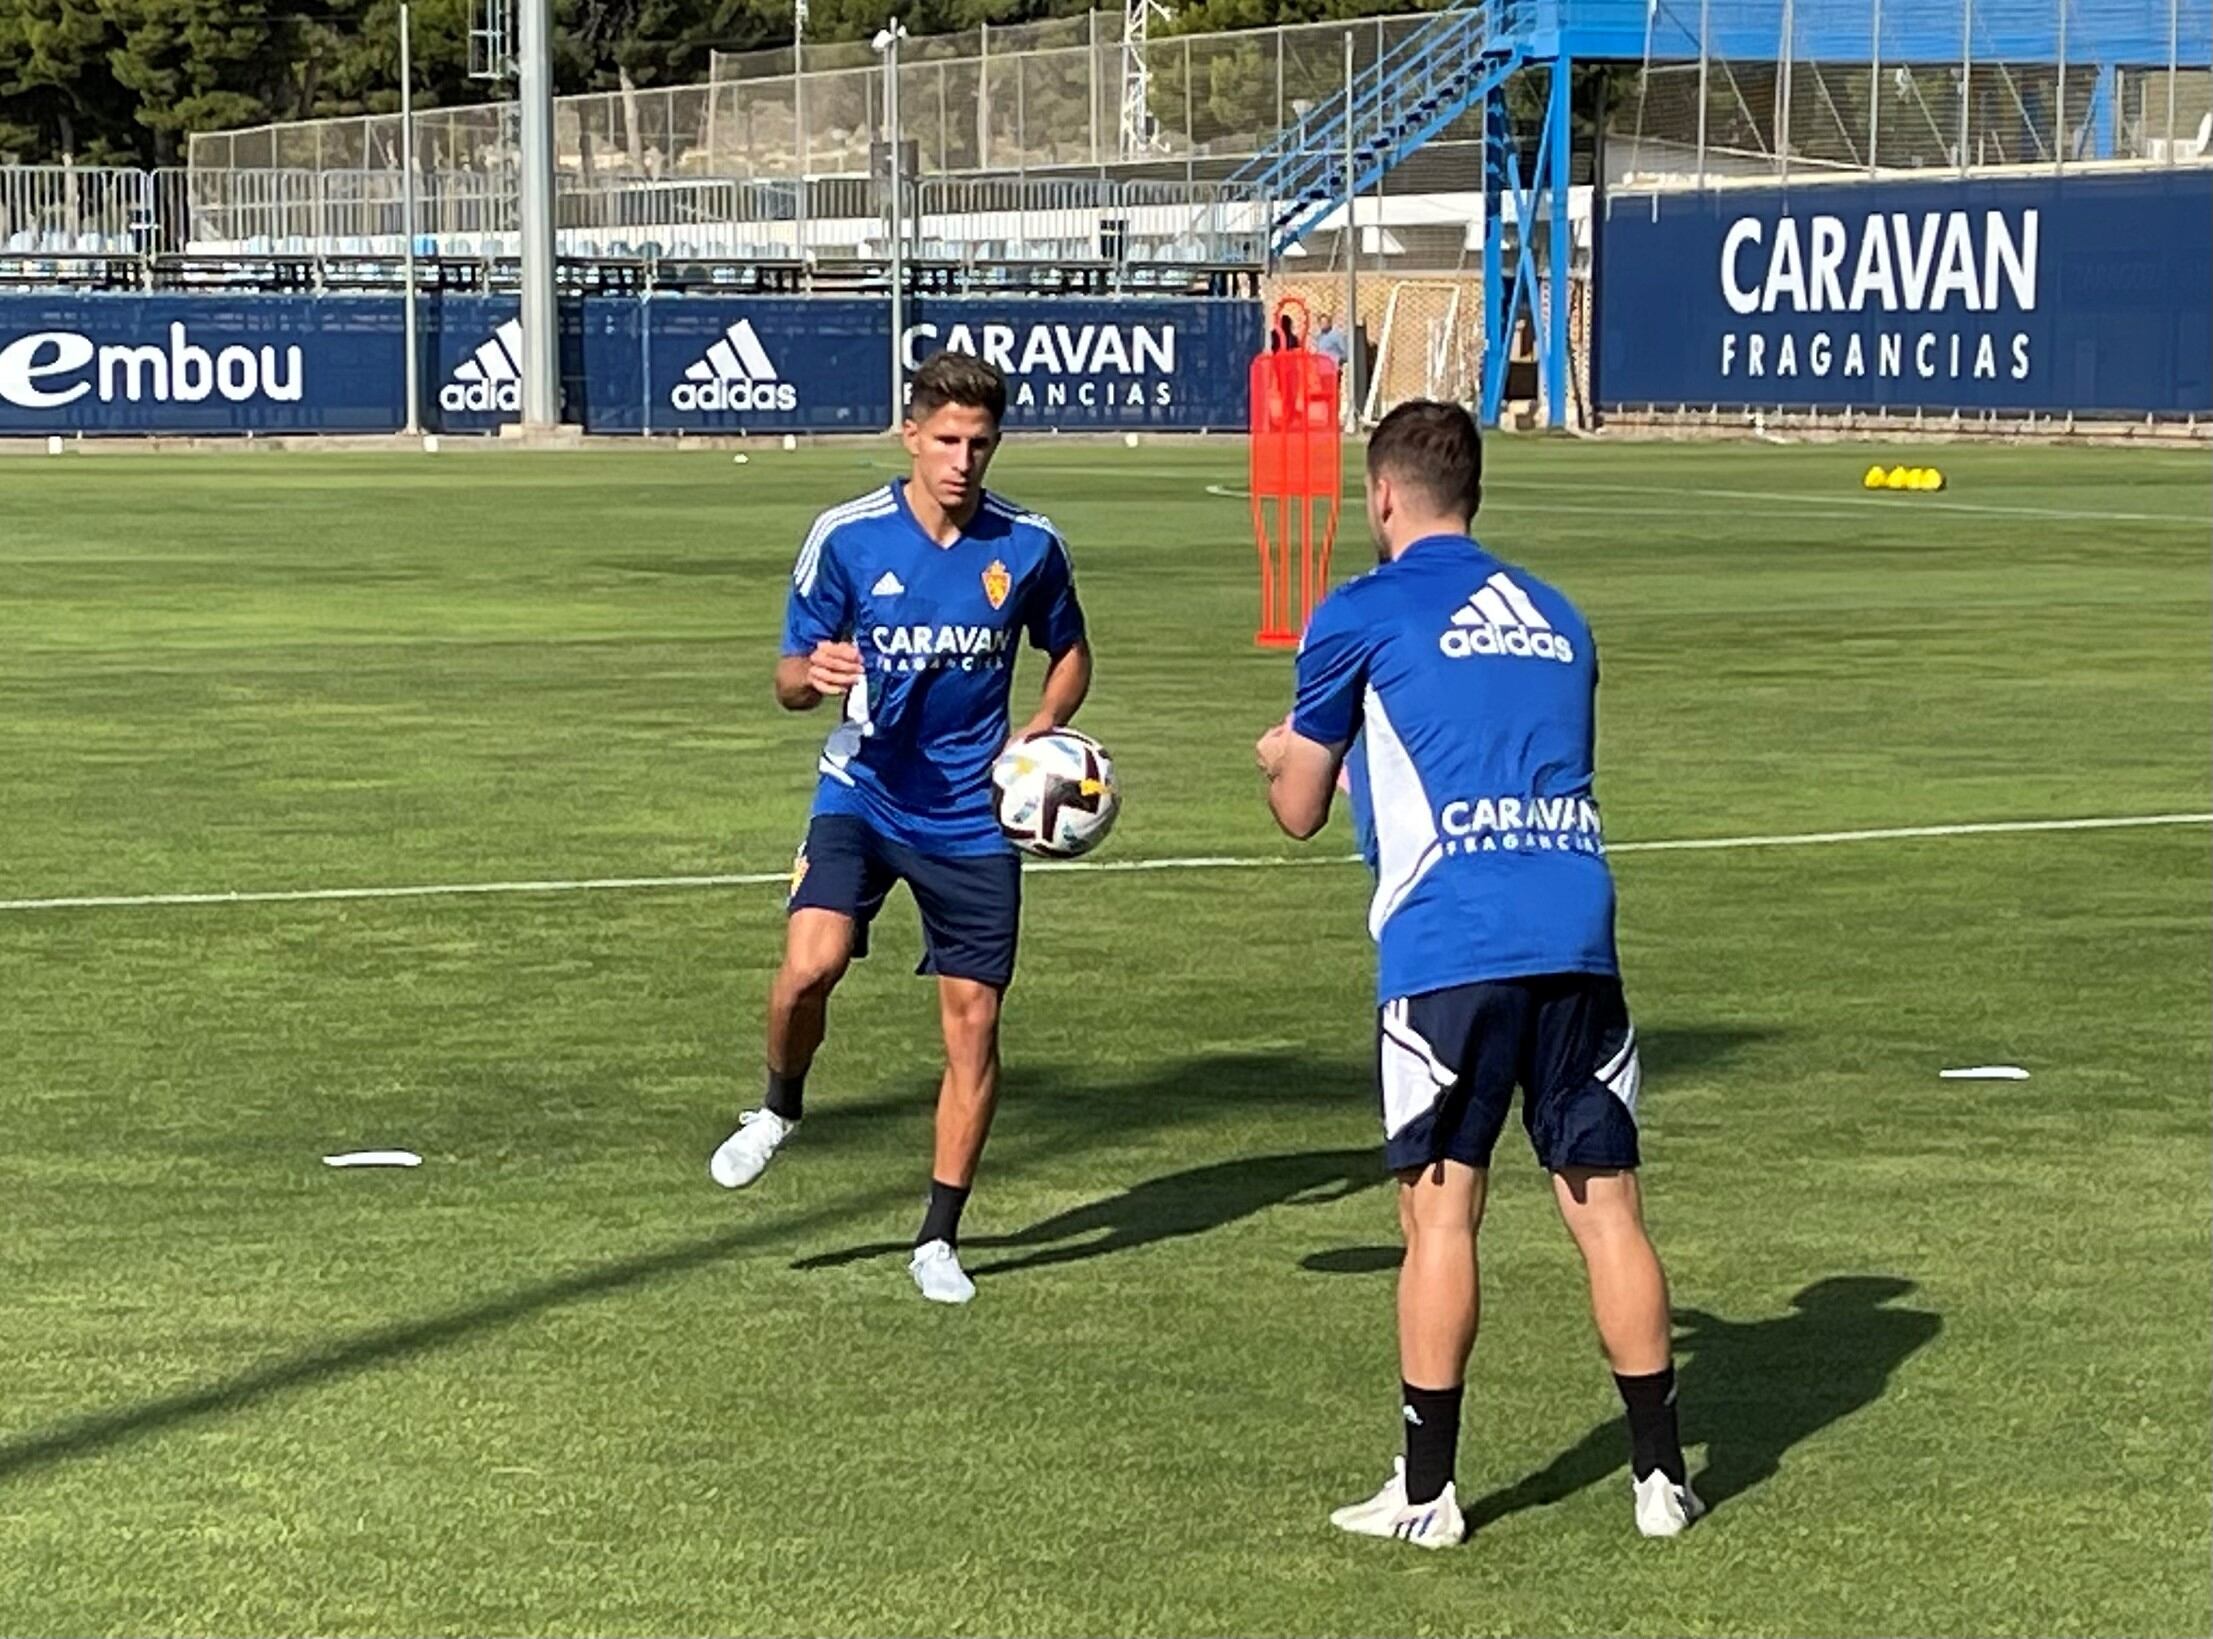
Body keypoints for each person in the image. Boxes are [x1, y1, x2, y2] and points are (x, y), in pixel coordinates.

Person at [1253, 399, 1698, 1548]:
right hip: (1576, 924)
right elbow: (1503, 765)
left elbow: (1299, 810)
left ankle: (1424, 1490)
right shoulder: (1557, 617)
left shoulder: (1355, 610)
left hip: (1450, 939)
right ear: (1475, 493)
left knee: (1441, 1213)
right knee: (1605, 1210)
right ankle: (1660, 1478)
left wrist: (1284, 758)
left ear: (1382, 495)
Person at [709, 350, 1093, 1307]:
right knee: (809, 966)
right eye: (948, 441)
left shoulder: (1030, 546)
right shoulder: (846, 538)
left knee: (973, 1028)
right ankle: (777, 1106)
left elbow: (1071, 650)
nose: (963, 460)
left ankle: (937, 1236)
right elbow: (788, 680)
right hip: (864, 792)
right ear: (910, 435)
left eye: (981, 442)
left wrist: (1043, 728)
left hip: (971, 819)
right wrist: (817, 674)